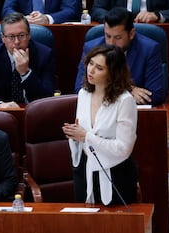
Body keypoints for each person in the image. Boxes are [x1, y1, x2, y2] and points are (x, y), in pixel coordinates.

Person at [63, 45, 138, 205]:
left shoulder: (125, 101)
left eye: (99, 68)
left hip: (116, 173)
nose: (91, 70)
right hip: (85, 170)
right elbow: (83, 133)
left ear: (112, 73)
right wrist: (74, 135)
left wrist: (87, 136)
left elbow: (124, 148)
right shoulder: (83, 94)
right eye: (90, 63)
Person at [74, 7, 166, 105]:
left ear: (131, 34)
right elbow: (80, 89)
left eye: (118, 38)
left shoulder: (149, 49)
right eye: (108, 36)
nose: (111, 43)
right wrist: (128, 89)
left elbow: (155, 95)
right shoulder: (91, 48)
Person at [0, 12, 55, 108]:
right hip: (1, 115)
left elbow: (47, 98)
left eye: (21, 35)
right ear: (3, 38)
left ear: (29, 35)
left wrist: (26, 73)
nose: (17, 42)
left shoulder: (44, 54)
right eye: (11, 37)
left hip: (33, 113)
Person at [91, 0, 169, 23]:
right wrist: (114, 19)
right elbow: (97, 10)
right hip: (117, 31)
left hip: (152, 28)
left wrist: (157, 15)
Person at [1, 0, 81, 24]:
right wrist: (22, 19)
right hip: (22, 31)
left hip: (57, 34)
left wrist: (47, 19)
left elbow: (71, 10)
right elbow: (7, 10)